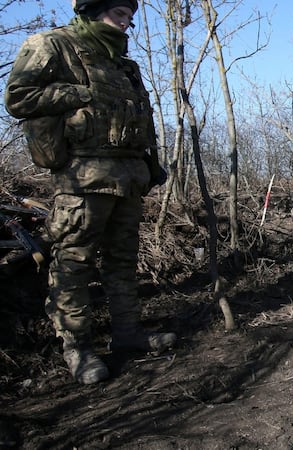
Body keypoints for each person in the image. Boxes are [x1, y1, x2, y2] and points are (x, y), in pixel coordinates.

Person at [4, 0, 176, 385]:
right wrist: (76, 94)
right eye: (120, 13)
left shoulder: (123, 64)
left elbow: (141, 118)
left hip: (129, 177)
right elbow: (18, 97)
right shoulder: (54, 45)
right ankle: (78, 348)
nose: (127, 21)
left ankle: (128, 333)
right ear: (94, 9)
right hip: (82, 178)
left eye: (130, 16)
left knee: (122, 261)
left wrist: (151, 164)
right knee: (73, 264)